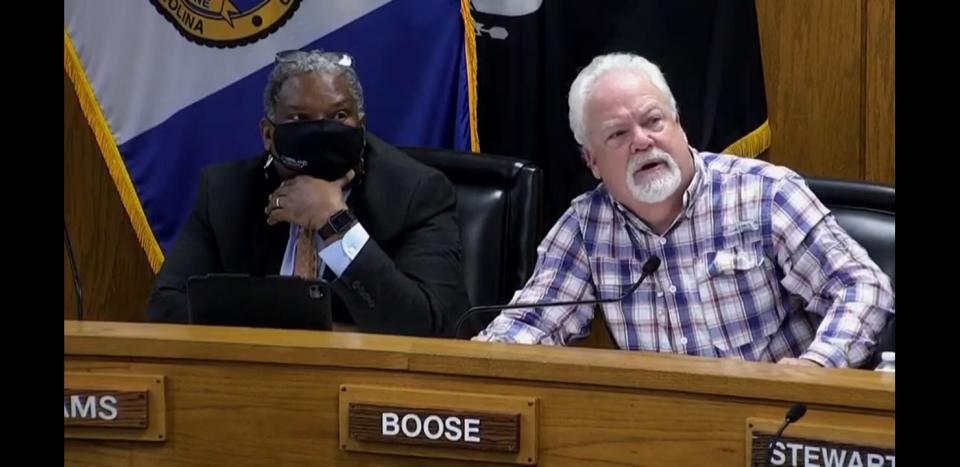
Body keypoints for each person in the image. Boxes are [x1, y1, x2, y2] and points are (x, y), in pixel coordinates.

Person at [473, 52, 894, 368]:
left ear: (679, 124)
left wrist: (817, 367)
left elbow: (863, 287)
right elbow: (529, 325)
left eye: (653, 121)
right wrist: (472, 371)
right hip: (668, 433)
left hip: (781, 425)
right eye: (618, 134)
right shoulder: (587, 227)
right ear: (593, 163)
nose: (642, 140)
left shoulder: (764, 192)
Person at [148, 49, 471, 336]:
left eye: (338, 116)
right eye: (300, 119)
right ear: (269, 135)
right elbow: (166, 307)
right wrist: (290, 336)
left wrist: (335, 222)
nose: (321, 131)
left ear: (361, 125)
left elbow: (434, 326)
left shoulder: (415, 192)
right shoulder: (225, 192)